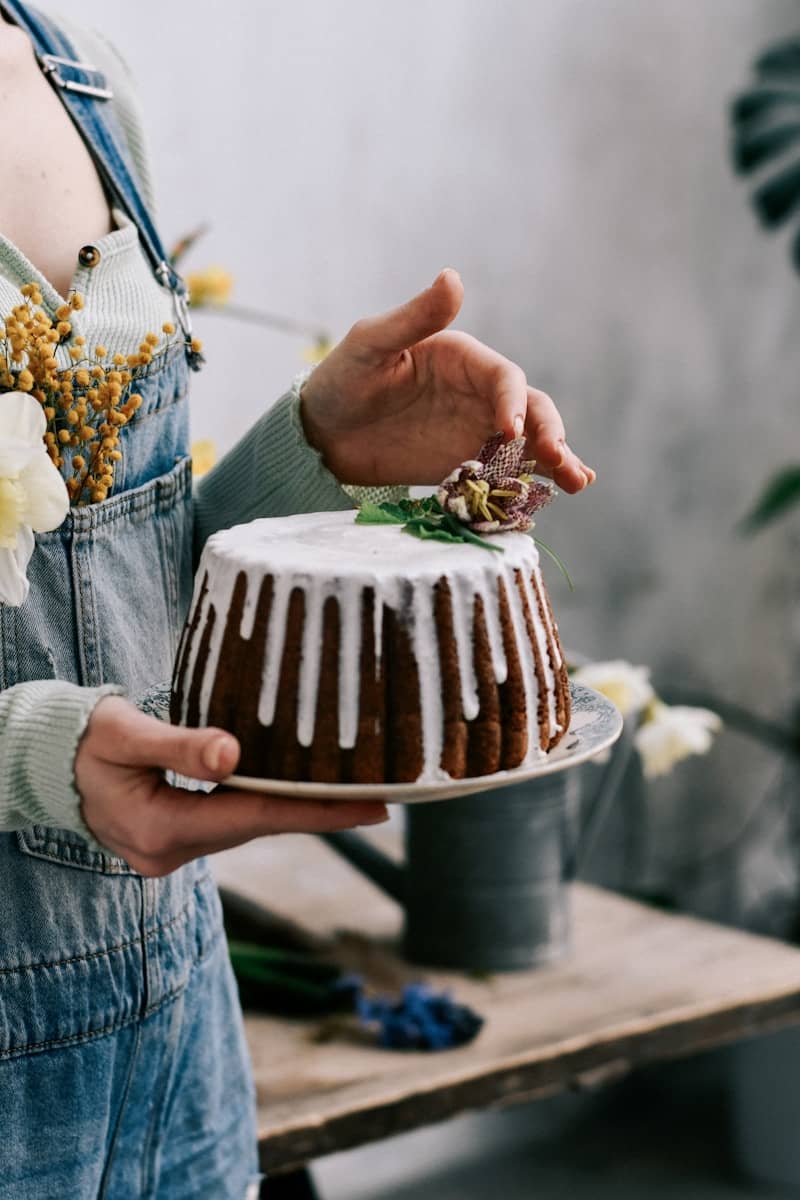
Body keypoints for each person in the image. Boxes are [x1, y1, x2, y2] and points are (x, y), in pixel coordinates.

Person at [0, 2, 595, 1195]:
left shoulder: (79, 77)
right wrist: (34, 754)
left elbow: (110, 582)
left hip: (175, 1036)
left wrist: (312, 447)